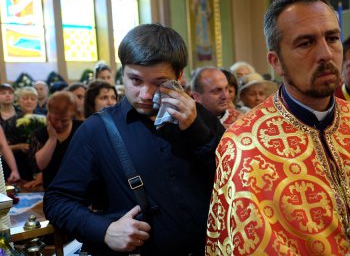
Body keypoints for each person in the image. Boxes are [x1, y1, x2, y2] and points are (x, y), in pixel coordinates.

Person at [206, 0, 350, 255]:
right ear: (276, 62)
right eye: (305, 43)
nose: (325, 54)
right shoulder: (242, 147)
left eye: (332, 38)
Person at [44, 23, 225, 255]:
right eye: (136, 80)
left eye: (159, 83)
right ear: (123, 73)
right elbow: (57, 201)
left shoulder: (202, 119)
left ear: (179, 76)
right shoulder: (97, 130)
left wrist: (196, 130)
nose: (146, 94)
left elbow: (231, 182)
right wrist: (105, 230)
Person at [26, 91, 81, 189]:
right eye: (55, 119)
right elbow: (40, 165)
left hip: (80, 187)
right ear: (48, 113)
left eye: (64, 121)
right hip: (53, 189)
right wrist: (52, 138)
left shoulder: (82, 129)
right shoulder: (39, 135)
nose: (59, 125)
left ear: (72, 116)